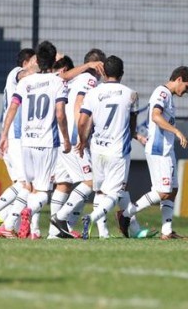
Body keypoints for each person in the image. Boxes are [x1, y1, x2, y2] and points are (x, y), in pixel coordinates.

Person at [0, 41, 104, 239]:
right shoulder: (57, 82)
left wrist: (3, 135)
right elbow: (61, 114)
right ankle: (19, 219)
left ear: (37, 59)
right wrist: (66, 138)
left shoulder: (25, 82)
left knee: (34, 186)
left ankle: (49, 231)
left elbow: (12, 109)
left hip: (25, 142)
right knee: (44, 192)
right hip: (47, 143)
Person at [118, 66, 188, 240]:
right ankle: (126, 214)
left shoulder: (168, 96)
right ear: (179, 79)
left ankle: (167, 231)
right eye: (187, 86)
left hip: (167, 151)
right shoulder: (162, 93)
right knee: (163, 192)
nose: (187, 91)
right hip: (158, 150)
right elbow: (155, 116)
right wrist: (176, 131)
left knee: (173, 189)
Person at [77, 55, 142, 239]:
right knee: (115, 192)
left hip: (97, 148)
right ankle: (91, 217)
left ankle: (103, 233)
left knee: (99, 191)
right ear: (122, 73)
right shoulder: (131, 94)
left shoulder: (93, 93)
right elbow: (132, 125)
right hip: (118, 150)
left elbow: (82, 122)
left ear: (103, 72)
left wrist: (82, 141)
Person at [0, 48, 36, 236]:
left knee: (22, 185)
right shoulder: (16, 73)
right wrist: (46, 66)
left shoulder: (28, 84)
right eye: (35, 60)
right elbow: (26, 73)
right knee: (25, 184)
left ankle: (5, 220)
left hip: (15, 137)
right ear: (26, 61)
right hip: (15, 137)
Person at [49, 49, 105, 239]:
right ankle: (61, 218)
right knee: (90, 182)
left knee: (63, 184)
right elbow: (79, 105)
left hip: (61, 139)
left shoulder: (72, 79)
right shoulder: (90, 80)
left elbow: (61, 75)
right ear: (99, 66)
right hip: (73, 139)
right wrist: (82, 136)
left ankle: (54, 233)